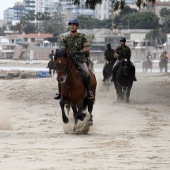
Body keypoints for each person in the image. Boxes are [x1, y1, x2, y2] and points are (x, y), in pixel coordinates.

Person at [56, 18, 94, 99]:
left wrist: (79, 52)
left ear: (76, 26)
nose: (72, 26)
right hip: (69, 60)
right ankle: (60, 92)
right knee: (60, 74)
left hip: (80, 59)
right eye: (70, 25)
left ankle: (89, 91)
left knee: (86, 72)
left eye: (73, 25)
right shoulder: (65, 38)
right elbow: (63, 48)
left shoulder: (82, 36)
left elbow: (86, 48)